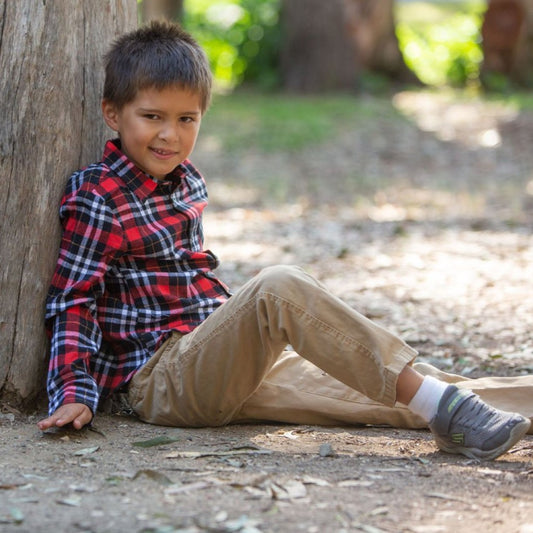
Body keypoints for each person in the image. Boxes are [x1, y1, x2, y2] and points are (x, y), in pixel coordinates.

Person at [37, 21, 532, 461]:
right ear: (112, 113)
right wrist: (73, 390)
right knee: (279, 287)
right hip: (161, 380)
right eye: (153, 117)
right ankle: (448, 405)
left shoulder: (186, 182)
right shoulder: (98, 195)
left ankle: (464, 412)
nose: (170, 135)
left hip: (215, 355)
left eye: (186, 119)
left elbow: (191, 279)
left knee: (384, 388)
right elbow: (74, 300)